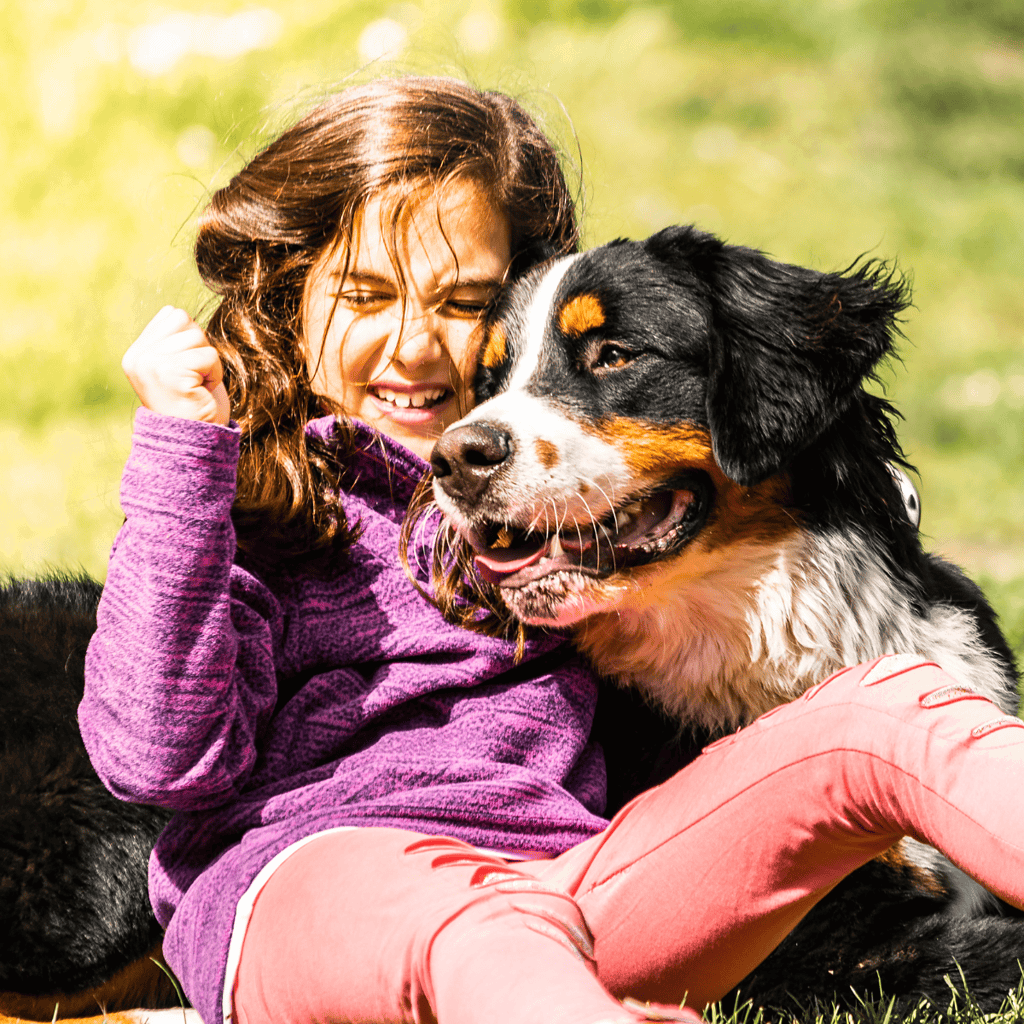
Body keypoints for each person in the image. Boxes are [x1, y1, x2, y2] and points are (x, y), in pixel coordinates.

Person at [81, 75, 1024, 1024]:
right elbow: (158, 759)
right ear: (291, 301)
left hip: (574, 880)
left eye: (463, 303)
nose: (414, 346)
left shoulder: (538, 518)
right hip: (319, 883)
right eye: (365, 294)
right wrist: (182, 458)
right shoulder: (241, 510)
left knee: (881, 713)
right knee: (478, 923)